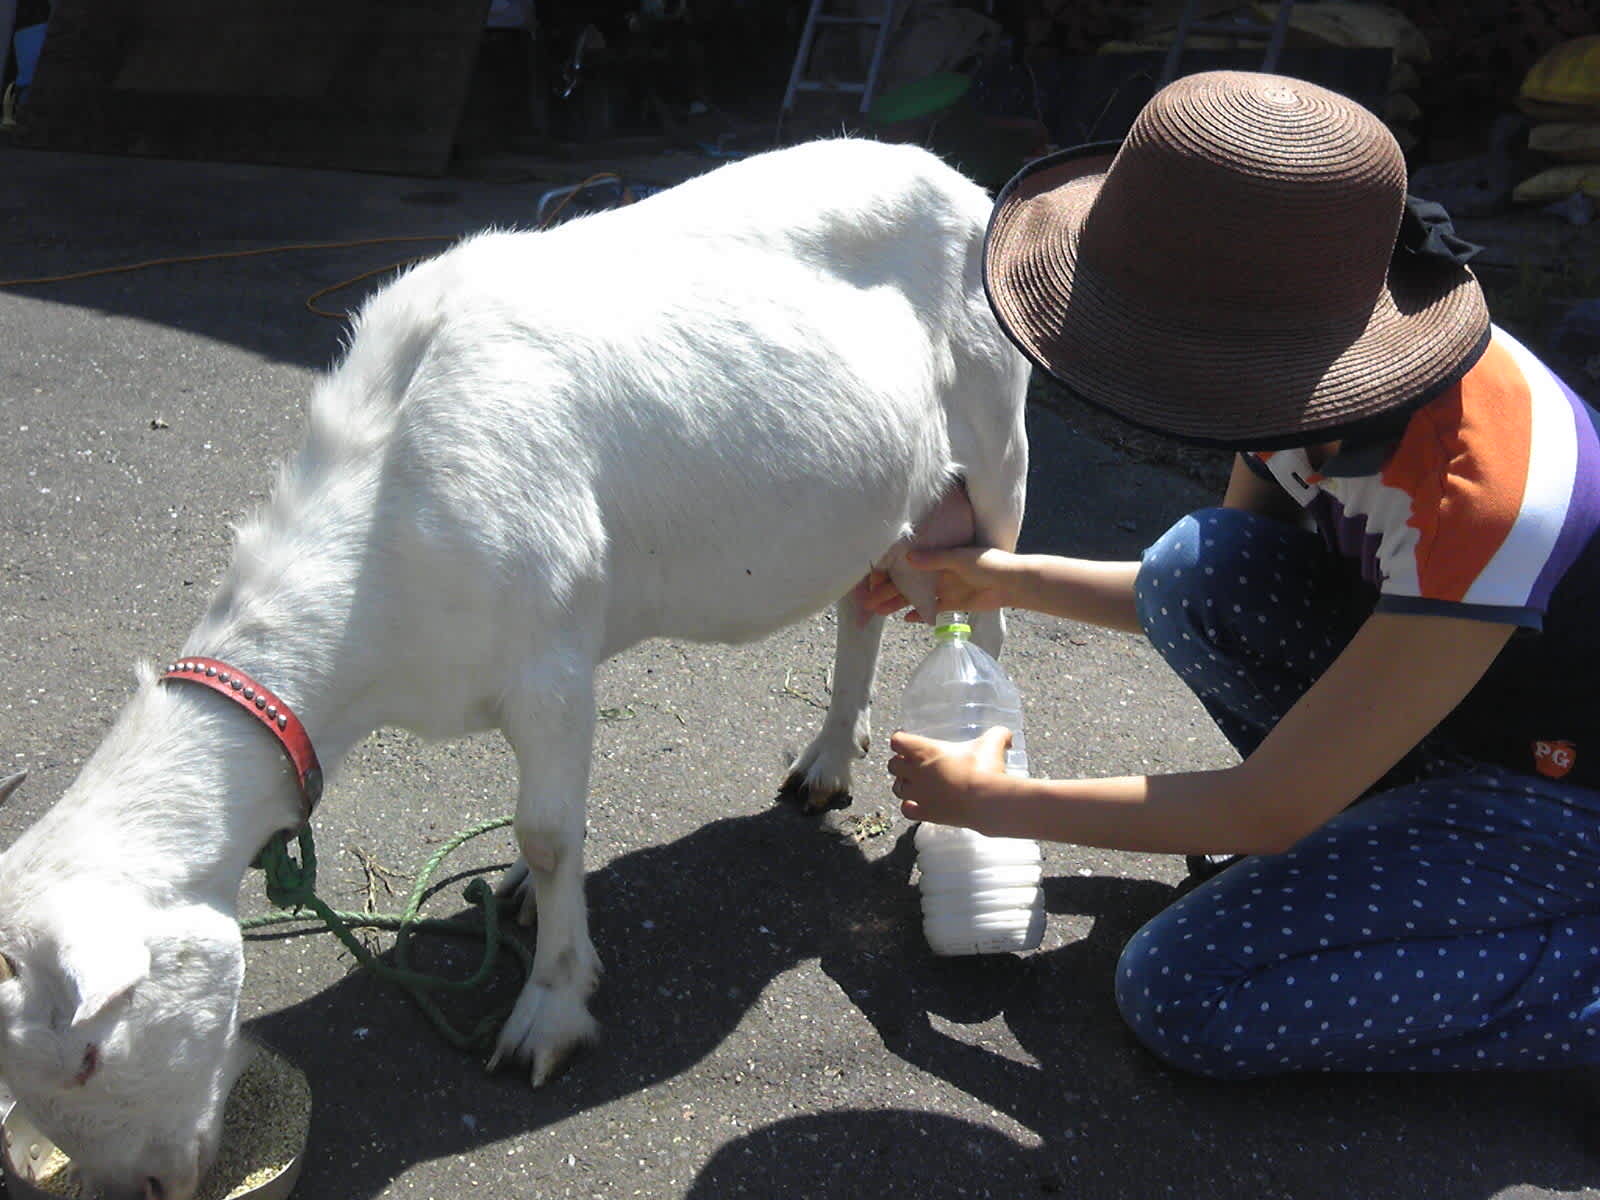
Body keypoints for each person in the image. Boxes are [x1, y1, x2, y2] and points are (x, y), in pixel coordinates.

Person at [865, 70, 1600, 1078]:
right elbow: (1204, 591)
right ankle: (1376, 853)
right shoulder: (1294, 375)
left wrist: (996, 803)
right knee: (1195, 567)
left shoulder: (1494, 490)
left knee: (1188, 991)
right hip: (1426, 714)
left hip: (1557, 799)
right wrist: (985, 577)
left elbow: (1266, 809)